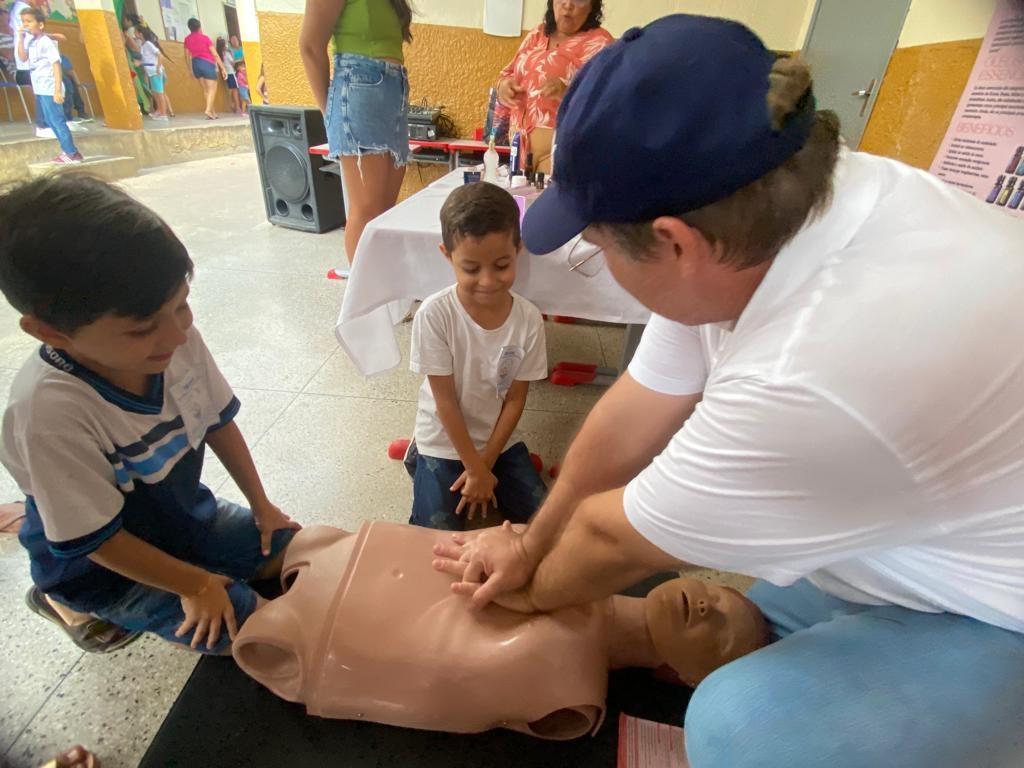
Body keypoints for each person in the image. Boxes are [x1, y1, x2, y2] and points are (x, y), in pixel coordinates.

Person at [434, 14, 1024, 768]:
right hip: (931, 529)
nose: (599, 259)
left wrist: (520, 589)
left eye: (599, 247)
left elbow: (612, 537)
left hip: (998, 610)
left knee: (739, 726)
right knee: (657, 619)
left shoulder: (813, 369)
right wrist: (530, 541)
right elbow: (639, 405)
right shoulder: (779, 203)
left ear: (676, 242)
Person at [0, 175, 301, 654]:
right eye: (142, 329)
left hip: (186, 522)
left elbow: (218, 421)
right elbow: (100, 542)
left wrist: (262, 505)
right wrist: (196, 585)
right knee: (268, 636)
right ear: (50, 332)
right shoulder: (46, 414)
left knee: (304, 550)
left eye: (182, 306)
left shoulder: (171, 340)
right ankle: (65, 601)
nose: (176, 336)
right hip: (107, 570)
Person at [234, 521, 769, 738]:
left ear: (679, 676)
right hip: (349, 550)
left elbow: (454, 685)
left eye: (719, 634)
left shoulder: (575, 695)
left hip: (327, 634)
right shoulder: (587, 565)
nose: (707, 608)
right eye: (720, 596)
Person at [405, 183, 549, 530]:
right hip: (443, 438)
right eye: (470, 268)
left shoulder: (528, 318)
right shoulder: (435, 314)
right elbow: (446, 402)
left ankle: (470, 469)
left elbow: (515, 399)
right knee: (433, 534)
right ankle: (420, 457)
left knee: (546, 523)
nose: (487, 281)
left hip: (499, 440)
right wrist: (474, 469)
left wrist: (485, 464)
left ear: (519, 249)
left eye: (502, 265)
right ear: (446, 254)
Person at [299, 0, 412, 278]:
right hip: (359, 86)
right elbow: (310, 46)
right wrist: (330, 113)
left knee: (384, 213)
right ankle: (363, 308)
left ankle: (382, 297)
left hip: (393, 89)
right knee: (366, 210)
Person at [495, 0, 612, 174]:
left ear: (592, 7)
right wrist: (504, 87)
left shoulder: (600, 43)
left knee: (548, 200)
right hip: (518, 148)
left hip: (561, 151)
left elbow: (608, 102)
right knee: (518, 201)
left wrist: (568, 93)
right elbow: (507, 74)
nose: (568, 5)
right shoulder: (537, 33)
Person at [17, 7, 80, 163]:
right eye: (24, 21)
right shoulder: (31, 42)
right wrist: (20, 37)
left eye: (29, 21)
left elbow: (56, 65)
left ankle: (71, 152)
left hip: (50, 87)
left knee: (57, 120)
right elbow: (23, 57)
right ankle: (68, 151)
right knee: (51, 121)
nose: (26, 24)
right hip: (40, 88)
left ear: (40, 24)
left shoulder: (46, 42)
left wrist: (57, 90)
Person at [183, 17, 225, 120]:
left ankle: (212, 113)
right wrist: (223, 68)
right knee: (212, 88)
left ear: (189, 28)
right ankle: (207, 110)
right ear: (199, 27)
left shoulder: (187, 39)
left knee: (206, 90)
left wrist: (189, 69)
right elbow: (215, 54)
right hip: (207, 63)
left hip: (195, 63)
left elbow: (186, 55)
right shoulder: (205, 38)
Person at [139, 26, 171, 120]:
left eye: (136, 32)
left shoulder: (149, 44)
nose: (135, 35)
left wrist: (157, 68)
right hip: (150, 72)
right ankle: (159, 111)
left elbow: (160, 56)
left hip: (155, 71)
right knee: (155, 92)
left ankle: (163, 114)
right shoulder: (143, 45)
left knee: (159, 92)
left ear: (140, 34)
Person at [216, 36, 241, 114]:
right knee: (235, 90)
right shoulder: (226, 53)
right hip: (231, 73)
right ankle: (237, 108)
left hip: (225, 74)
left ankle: (230, 106)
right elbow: (232, 62)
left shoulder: (218, 53)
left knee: (229, 90)